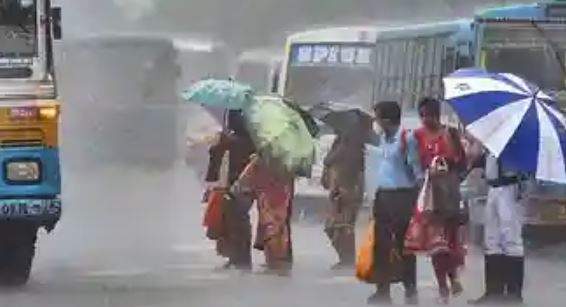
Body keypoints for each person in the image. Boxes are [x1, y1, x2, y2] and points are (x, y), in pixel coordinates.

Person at [366, 101, 422, 305]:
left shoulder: (407, 139)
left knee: (403, 245)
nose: (376, 122)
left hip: (402, 197)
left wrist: (417, 203)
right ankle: (382, 290)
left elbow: (417, 173)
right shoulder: (383, 138)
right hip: (383, 196)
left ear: (387, 120)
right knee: (380, 244)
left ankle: (410, 289)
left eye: (378, 118)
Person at [413, 97, 467, 304]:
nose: (424, 120)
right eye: (421, 116)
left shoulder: (451, 133)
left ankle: (452, 279)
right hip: (428, 198)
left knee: (449, 244)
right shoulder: (417, 136)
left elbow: (462, 163)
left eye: (427, 116)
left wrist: (447, 168)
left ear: (436, 115)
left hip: (449, 197)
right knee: (436, 246)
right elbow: (415, 162)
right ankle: (445, 286)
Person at [468, 150, 525, 305]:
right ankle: (494, 291)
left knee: (511, 238)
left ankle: (514, 293)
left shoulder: (515, 140)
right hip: (493, 188)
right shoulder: (494, 140)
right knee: (491, 239)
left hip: (509, 187)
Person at [204, 110, 256, 271]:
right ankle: (241, 258)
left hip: (232, 187)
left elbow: (214, 165)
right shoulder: (253, 141)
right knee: (241, 222)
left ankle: (238, 260)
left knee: (232, 223)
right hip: (249, 187)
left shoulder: (228, 141)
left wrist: (217, 143)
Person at [231, 154, 294, 276]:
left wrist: (237, 189)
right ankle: (279, 261)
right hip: (281, 198)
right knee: (279, 228)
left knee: (270, 228)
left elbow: (244, 179)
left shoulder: (260, 160)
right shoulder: (289, 160)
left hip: (268, 199)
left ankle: (275, 262)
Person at [322, 121, 370, 269]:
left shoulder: (356, 148)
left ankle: (348, 260)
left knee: (344, 228)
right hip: (335, 191)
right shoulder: (338, 144)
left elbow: (360, 175)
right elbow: (329, 164)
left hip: (348, 192)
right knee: (332, 227)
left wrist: (354, 193)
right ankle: (345, 259)